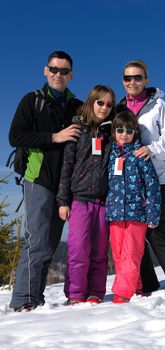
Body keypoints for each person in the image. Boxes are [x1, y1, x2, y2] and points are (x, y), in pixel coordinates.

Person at [9, 51, 83, 312]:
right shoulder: (33, 101)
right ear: (45, 70)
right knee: (37, 242)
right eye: (54, 69)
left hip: (66, 185)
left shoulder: (77, 106)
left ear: (71, 75)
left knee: (49, 245)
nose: (58, 74)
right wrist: (55, 137)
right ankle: (23, 301)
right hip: (38, 179)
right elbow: (16, 136)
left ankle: (35, 299)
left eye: (64, 71)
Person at [116, 60, 165, 293]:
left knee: (155, 227)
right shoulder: (120, 109)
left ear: (146, 80)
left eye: (137, 77)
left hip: (157, 176)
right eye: (128, 78)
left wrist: (153, 149)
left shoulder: (158, 106)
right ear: (123, 81)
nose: (133, 82)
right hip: (129, 181)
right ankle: (146, 284)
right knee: (135, 229)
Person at [57, 85, 115, 305]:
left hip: (103, 202)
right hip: (80, 200)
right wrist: (63, 201)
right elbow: (66, 166)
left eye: (109, 104)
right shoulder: (77, 129)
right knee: (79, 250)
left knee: (100, 253)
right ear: (91, 102)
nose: (104, 107)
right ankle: (75, 294)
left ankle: (95, 293)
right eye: (100, 102)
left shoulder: (112, 132)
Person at [106, 111, 161, 303]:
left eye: (129, 131)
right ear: (113, 131)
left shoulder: (140, 155)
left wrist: (153, 215)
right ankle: (136, 287)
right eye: (120, 130)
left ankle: (123, 293)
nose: (124, 134)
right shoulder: (110, 155)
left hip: (137, 214)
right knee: (119, 254)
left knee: (132, 253)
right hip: (114, 214)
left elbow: (152, 186)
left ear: (135, 133)